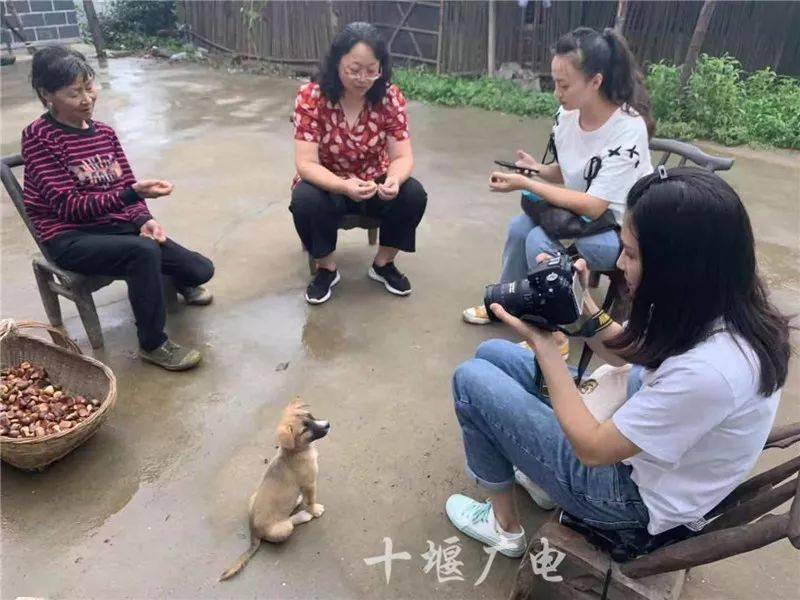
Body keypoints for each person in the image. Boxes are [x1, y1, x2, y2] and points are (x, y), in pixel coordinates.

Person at [445, 167, 791, 558]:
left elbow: (592, 449)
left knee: (471, 380)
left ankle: (503, 528)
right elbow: (636, 352)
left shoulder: (711, 372)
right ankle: (541, 483)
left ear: (677, 267)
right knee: (492, 354)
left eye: (630, 254)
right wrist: (581, 306)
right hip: (641, 443)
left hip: (630, 500)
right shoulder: (718, 306)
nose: (621, 265)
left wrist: (545, 345)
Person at [21, 46, 214, 371]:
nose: (86, 98)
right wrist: (130, 196)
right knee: (143, 253)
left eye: (89, 87)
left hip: (114, 226)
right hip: (70, 237)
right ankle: (153, 344)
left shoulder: (105, 133)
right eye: (74, 93)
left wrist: (144, 218)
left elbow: (126, 185)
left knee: (200, 270)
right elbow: (69, 207)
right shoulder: (40, 137)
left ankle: (169, 278)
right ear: (47, 95)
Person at [463, 27, 654, 326]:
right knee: (519, 228)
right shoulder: (567, 116)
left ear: (596, 82)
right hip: (582, 219)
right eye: (554, 83)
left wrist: (528, 184)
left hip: (620, 232)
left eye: (564, 85)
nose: (556, 93)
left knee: (540, 240)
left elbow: (594, 205)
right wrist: (536, 170)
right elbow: (569, 172)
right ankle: (505, 303)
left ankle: (552, 329)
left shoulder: (628, 129)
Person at [290, 22, 428, 305]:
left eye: (371, 70)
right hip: (328, 183)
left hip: (373, 183)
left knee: (413, 193)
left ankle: (383, 264)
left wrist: (393, 180)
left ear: (381, 68)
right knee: (304, 198)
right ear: (336, 63)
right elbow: (306, 163)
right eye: (354, 70)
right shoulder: (311, 97)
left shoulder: (390, 97)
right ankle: (326, 268)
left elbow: (402, 156)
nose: (363, 78)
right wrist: (342, 185)